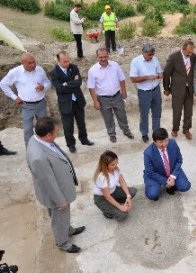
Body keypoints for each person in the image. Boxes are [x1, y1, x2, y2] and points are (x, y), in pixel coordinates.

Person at [26, 117, 85, 253]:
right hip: (57, 193)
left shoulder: (39, 138)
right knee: (59, 218)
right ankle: (63, 242)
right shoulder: (38, 157)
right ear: (48, 135)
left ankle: (68, 230)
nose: (58, 133)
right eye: (56, 132)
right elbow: (47, 181)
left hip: (60, 186)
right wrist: (60, 201)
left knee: (63, 216)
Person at [0, 53, 51, 146]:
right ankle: (31, 152)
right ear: (23, 63)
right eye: (29, 63)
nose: (33, 65)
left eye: (34, 62)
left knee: (44, 128)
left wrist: (44, 87)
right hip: (27, 106)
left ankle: (46, 149)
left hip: (41, 104)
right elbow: (3, 84)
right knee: (28, 130)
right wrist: (14, 97)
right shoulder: (15, 72)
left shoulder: (40, 69)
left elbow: (48, 82)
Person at [50, 51, 94, 153]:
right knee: (68, 126)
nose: (67, 63)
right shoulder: (54, 72)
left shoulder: (73, 67)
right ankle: (71, 144)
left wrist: (66, 84)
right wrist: (70, 84)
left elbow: (78, 82)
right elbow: (59, 88)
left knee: (81, 122)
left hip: (77, 100)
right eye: (64, 61)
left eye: (68, 61)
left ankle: (84, 139)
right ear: (58, 61)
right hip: (65, 103)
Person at [87, 48, 134, 143]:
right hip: (103, 98)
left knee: (122, 115)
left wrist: (124, 91)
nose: (103, 59)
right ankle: (112, 134)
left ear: (108, 55)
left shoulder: (115, 65)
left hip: (117, 96)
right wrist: (95, 101)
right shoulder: (93, 70)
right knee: (107, 117)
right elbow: (91, 87)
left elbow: (121, 79)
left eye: (105, 56)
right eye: (101, 57)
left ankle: (126, 131)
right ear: (97, 57)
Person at [143, 128, 191, 201]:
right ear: (154, 142)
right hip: (156, 174)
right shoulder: (148, 153)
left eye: (166, 140)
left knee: (185, 186)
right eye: (161, 142)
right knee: (152, 194)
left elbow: (179, 160)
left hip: (171, 171)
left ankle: (173, 185)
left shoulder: (173, 143)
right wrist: (166, 181)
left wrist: (173, 176)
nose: (164, 144)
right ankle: (155, 187)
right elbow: (150, 172)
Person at [163, 40, 196, 140]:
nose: (190, 54)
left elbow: (193, 72)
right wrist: (166, 88)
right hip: (177, 89)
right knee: (177, 112)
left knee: (189, 111)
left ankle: (186, 129)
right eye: (188, 52)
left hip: (189, 89)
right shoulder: (174, 57)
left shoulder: (193, 56)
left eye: (191, 52)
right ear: (183, 49)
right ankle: (175, 129)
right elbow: (166, 73)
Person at [130, 44, 163, 143]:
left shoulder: (155, 59)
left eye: (152, 54)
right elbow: (132, 79)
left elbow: (160, 73)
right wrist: (146, 77)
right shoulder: (136, 61)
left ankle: (156, 133)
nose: (151, 57)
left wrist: (158, 76)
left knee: (157, 113)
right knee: (144, 114)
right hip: (144, 92)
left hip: (156, 90)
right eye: (149, 55)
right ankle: (144, 133)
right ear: (143, 53)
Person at [93, 150, 137, 220]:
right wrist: (121, 207)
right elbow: (107, 196)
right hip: (102, 198)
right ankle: (107, 212)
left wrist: (128, 196)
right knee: (123, 215)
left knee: (132, 191)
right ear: (105, 166)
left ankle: (115, 203)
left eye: (116, 163)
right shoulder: (102, 177)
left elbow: (122, 182)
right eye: (113, 164)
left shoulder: (116, 168)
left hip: (113, 191)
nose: (116, 166)